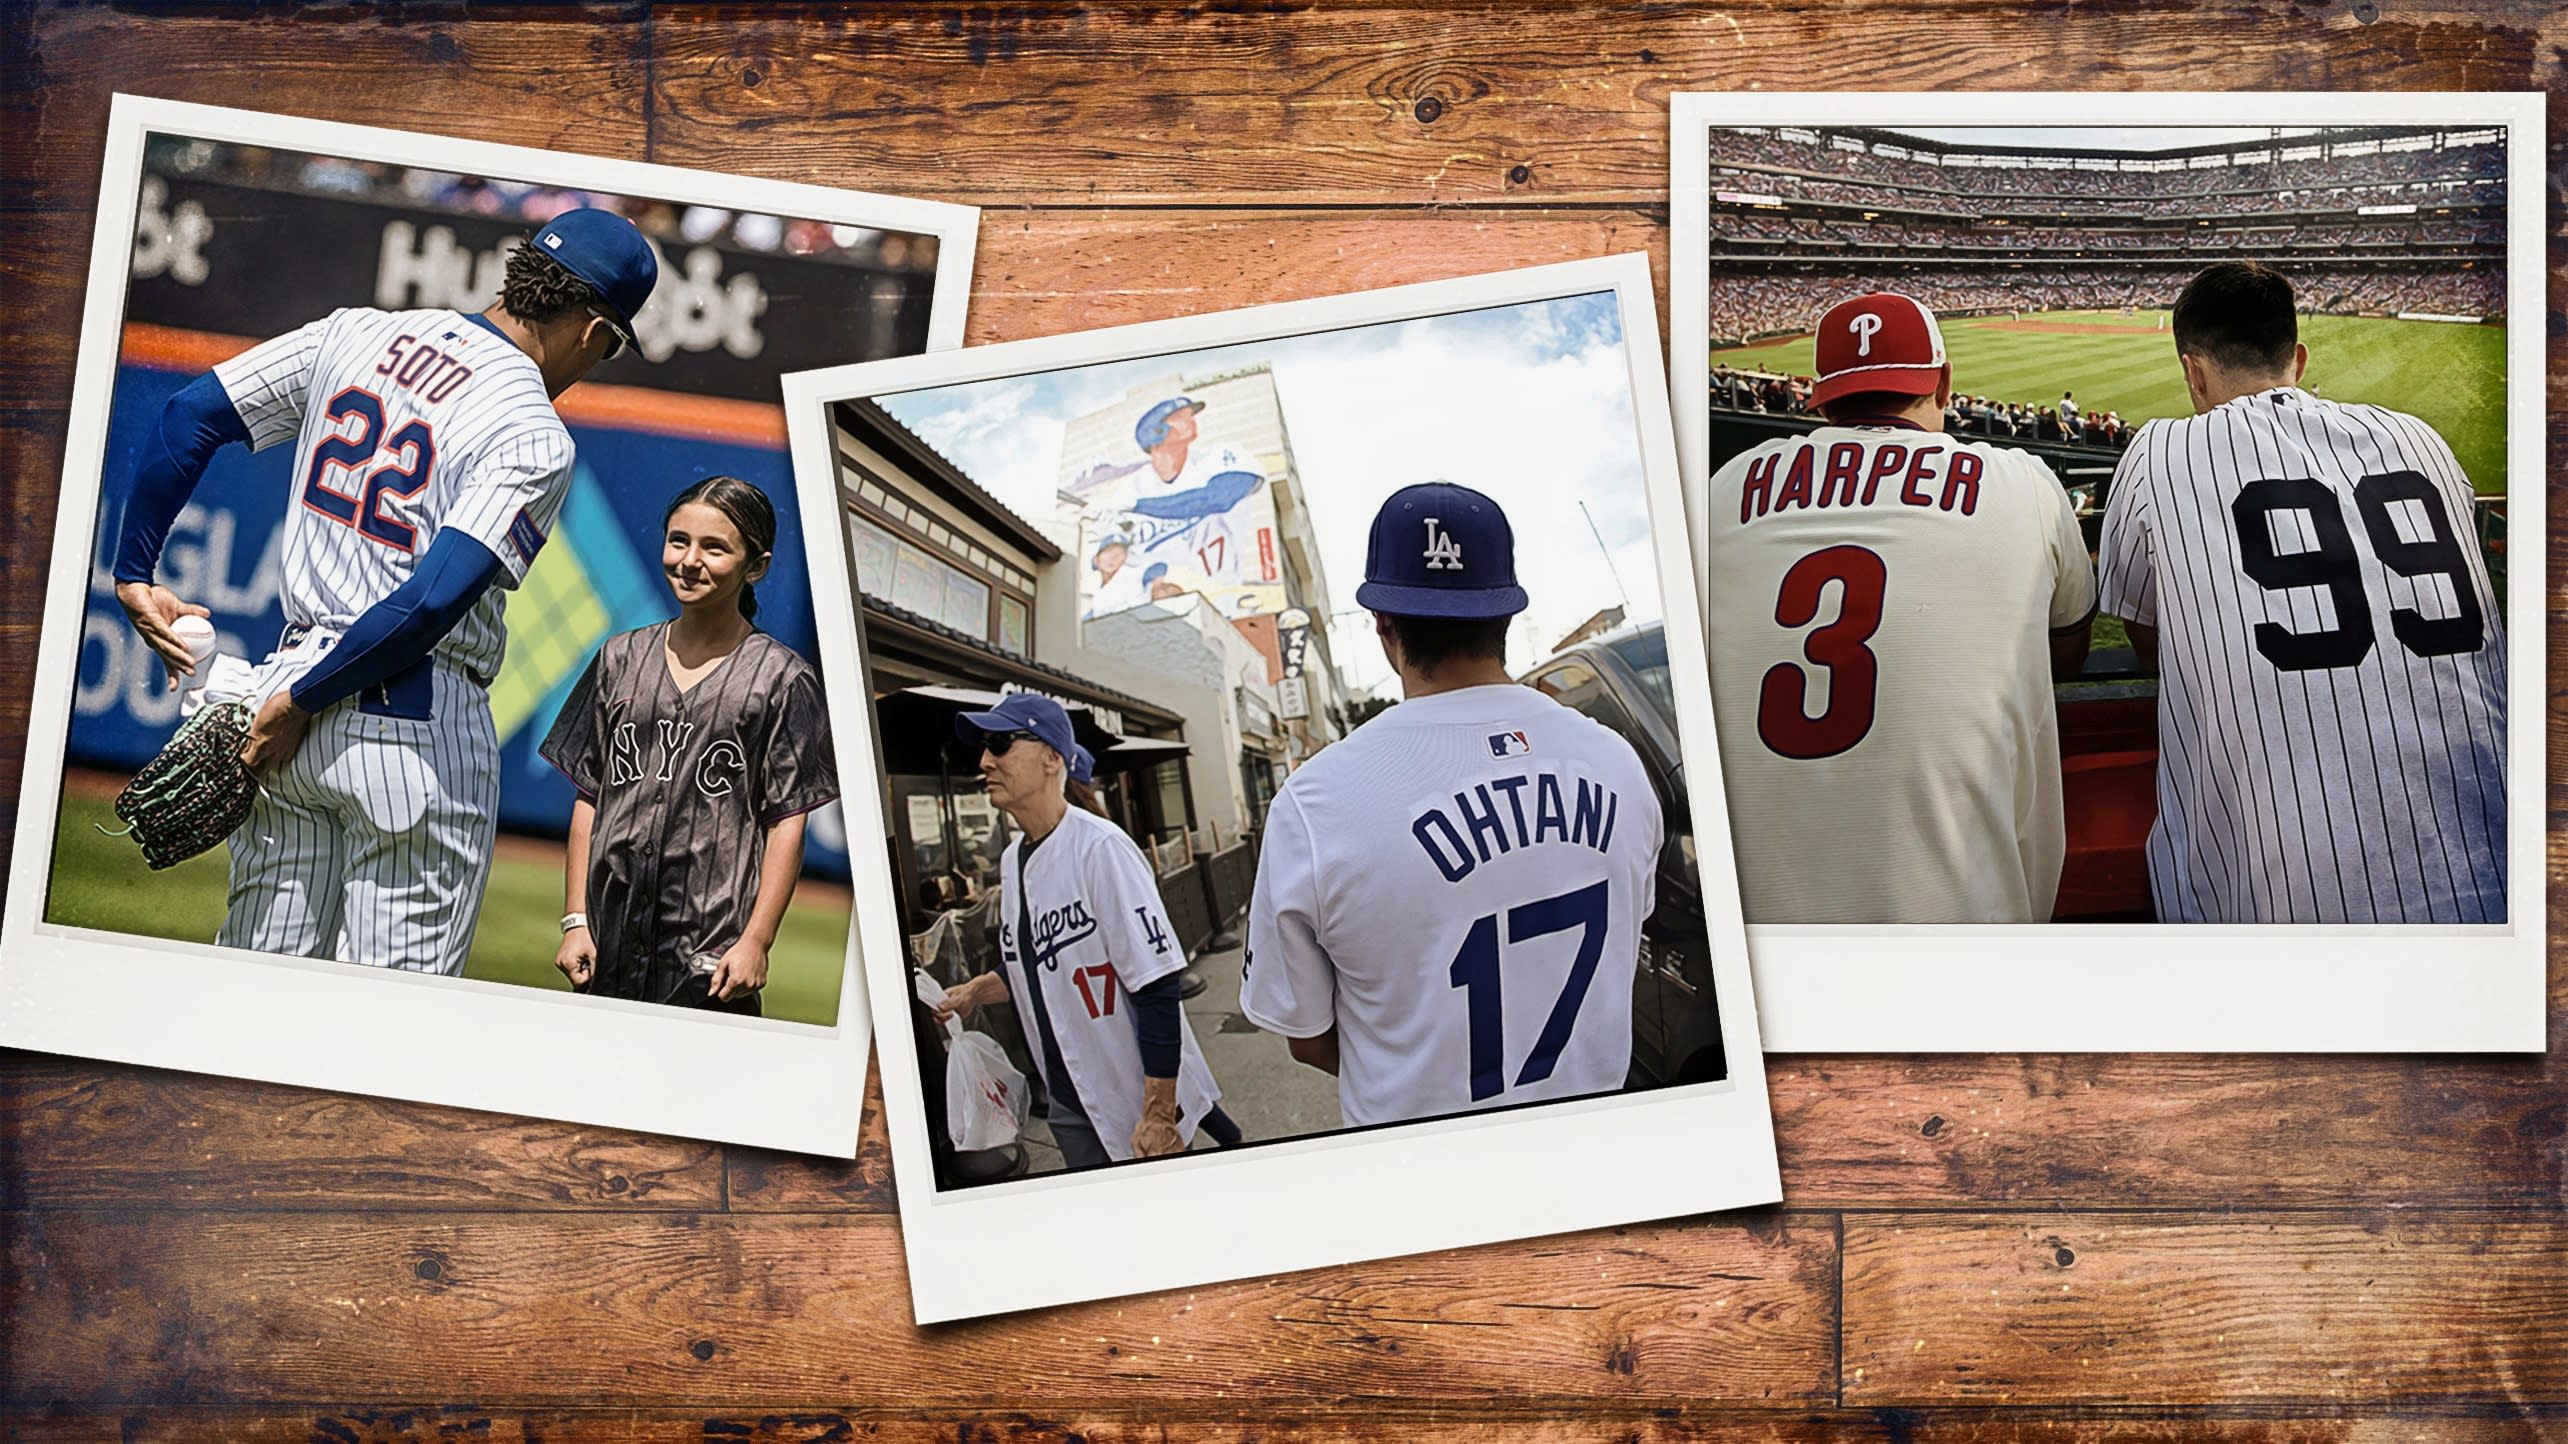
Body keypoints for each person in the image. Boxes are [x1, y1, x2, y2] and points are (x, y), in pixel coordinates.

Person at [111, 207, 657, 973]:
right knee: (390, 1038)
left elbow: (187, 416)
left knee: (251, 1005)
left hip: (286, 699)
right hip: (410, 728)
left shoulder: (357, 331)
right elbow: (431, 601)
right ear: (597, 331)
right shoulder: (534, 431)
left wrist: (135, 573)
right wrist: (297, 708)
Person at [1240, 482, 1664, 1126]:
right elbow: (1626, 943)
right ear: (1506, 615)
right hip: (1597, 1142)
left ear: (1384, 626)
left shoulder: (1314, 804)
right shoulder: (1616, 760)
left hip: (1425, 1176)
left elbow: (1307, 1035)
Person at [2097, 260, 2504, 922]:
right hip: (2504, 883)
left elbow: (2149, 641)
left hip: (2283, 905)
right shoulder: (2421, 440)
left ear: (2194, 373)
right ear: (2300, 358)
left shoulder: (2157, 451)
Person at [1699, 291, 2096, 923]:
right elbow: (2066, 651)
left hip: (1759, 935)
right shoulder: (2024, 484)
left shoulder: (1723, 490)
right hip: (1966, 922)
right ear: (1943, 384)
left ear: (1822, 396)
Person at [539, 476, 838, 1012]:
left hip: (709, 953)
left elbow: (787, 820)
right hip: (609, 940)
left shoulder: (782, 678)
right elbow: (589, 796)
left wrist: (756, 941)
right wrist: (575, 919)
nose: (690, 560)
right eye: (679, 541)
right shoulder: (619, 658)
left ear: (757, 566)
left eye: (715, 547)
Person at [933, 694, 1236, 1170]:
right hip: (1069, 1102)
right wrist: (975, 991)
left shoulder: (1102, 847)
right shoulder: (1012, 860)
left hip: (1136, 1096)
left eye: (1000, 743)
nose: (985, 760)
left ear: (1053, 757)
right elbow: (1035, 966)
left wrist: (1158, 1113)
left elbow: (1157, 984)